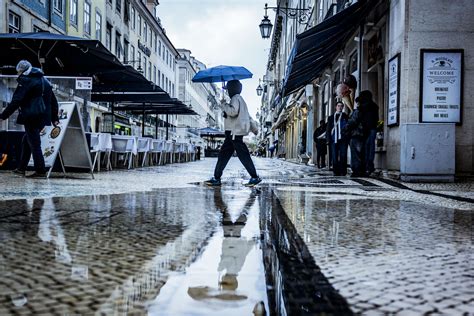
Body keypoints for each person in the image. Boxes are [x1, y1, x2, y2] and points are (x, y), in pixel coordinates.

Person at [0, 60, 59, 178]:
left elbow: (16, 101)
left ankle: (40, 171)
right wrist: (54, 118)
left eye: (19, 72)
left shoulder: (26, 81)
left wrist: (3, 115)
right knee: (26, 140)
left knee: (35, 144)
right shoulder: (45, 80)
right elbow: (53, 100)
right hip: (42, 117)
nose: (18, 74)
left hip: (31, 117)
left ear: (22, 71)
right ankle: (21, 168)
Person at [204, 80, 261, 187]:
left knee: (242, 155)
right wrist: (254, 129)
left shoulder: (235, 98)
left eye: (228, 89)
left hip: (234, 133)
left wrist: (224, 105)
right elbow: (247, 116)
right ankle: (216, 177)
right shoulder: (240, 100)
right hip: (232, 133)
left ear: (232, 89)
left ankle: (254, 177)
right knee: (223, 155)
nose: (227, 92)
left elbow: (233, 112)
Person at [342, 90, 371, 177]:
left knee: (356, 154)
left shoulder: (358, 111)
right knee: (362, 154)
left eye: (357, 103)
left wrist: (345, 128)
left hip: (356, 135)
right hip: (364, 135)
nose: (356, 104)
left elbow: (352, 122)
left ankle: (356, 171)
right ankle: (362, 170)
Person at [326, 101, 349, 176]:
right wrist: (328, 140)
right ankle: (336, 171)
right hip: (333, 139)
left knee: (343, 155)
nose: (340, 107)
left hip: (343, 139)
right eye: (338, 106)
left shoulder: (345, 116)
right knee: (334, 156)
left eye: (341, 106)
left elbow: (348, 127)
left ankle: (343, 171)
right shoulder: (331, 117)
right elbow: (328, 129)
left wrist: (347, 138)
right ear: (336, 107)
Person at [364, 91, 379, 175]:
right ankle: (370, 165)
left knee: (366, 147)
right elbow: (376, 119)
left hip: (367, 129)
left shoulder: (364, 107)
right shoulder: (375, 106)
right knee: (371, 147)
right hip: (373, 128)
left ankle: (367, 166)